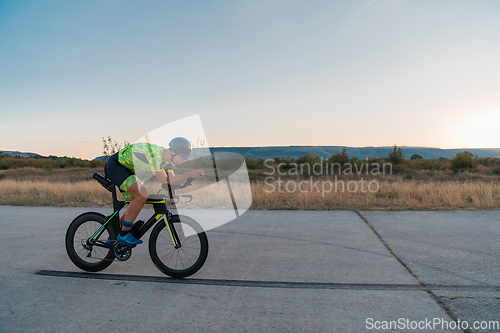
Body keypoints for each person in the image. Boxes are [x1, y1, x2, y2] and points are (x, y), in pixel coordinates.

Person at [104, 137, 204, 245]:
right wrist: (188, 174)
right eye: (184, 156)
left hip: (127, 170)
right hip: (116, 166)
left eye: (187, 157)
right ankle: (124, 233)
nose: (184, 160)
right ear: (174, 151)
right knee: (142, 194)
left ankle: (114, 235)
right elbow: (164, 180)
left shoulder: (167, 163)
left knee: (133, 202)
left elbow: (171, 180)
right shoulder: (155, 155)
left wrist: (189, 179)